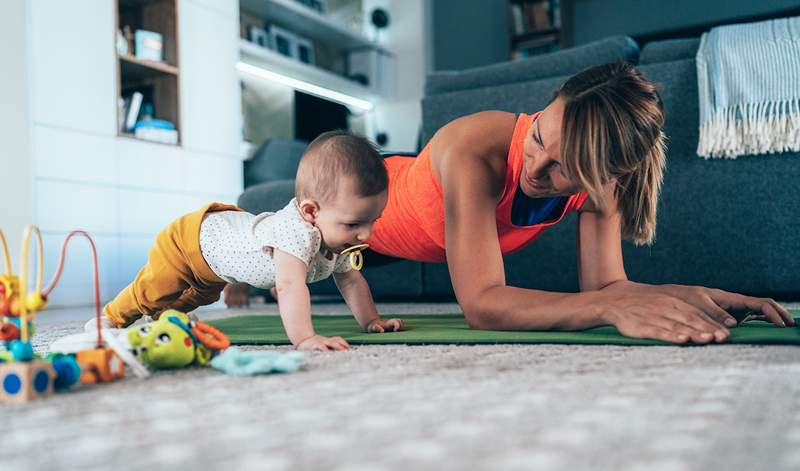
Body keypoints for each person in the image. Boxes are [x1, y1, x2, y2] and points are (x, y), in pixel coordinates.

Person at [363, 61, 793, 344]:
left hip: (402, 243)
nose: (535, 169)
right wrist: (607, 309)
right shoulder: (473, 148)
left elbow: (607, 286)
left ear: (611, 174)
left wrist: (694, 295)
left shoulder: (604, 186)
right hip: (356, 200)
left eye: (562, 166)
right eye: (537, 137)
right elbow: (482, 304)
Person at [99, 131, 405, 351]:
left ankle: (165, 319)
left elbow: (351, 280)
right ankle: (110, 318)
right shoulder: (295, 232)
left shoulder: (334, 236)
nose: (366, 235)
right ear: (311, 211)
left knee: (193, 298)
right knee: (155, 289)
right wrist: (305, 338)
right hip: (193, 238)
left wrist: (371, 321)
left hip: (218, 264)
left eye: (372, 221)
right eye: (354, 224)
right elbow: (287, 286)